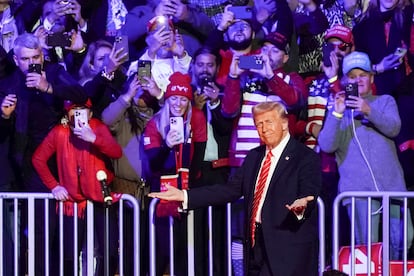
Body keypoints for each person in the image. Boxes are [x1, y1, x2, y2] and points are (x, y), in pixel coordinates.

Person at [149, 101, 322, 276]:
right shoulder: (254, 156)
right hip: (256, 247)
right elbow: (229, 190)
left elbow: (308, 193)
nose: (264, 129)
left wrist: (301, 207)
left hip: (287, 250)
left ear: (284, 123)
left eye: (269, 122)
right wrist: (185, 196)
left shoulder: (305, 157)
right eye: (259, 124)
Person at [0, 32, 87, 275]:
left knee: (66, 232)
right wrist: (5, 116)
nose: (32, 63)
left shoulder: (55, 72)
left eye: (36, 57)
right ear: (16, 60)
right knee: (39, 232)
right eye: (26, 59)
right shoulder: (8, 84)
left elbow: (82, 95)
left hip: (63, 160)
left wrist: (48, 87)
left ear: (42, 54)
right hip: (28, 166)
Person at [318, 51, 414, 260]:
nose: (358, 80)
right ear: (345, 81)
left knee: (402, 240)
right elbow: (326, 145)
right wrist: (336, 113)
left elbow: (394, 128)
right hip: (358, 192)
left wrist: (368, 109)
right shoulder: (339, 111)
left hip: (392, 188)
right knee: (368, 249)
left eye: (363, 75)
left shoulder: (384, 101)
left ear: (371, 78)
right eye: (352, 76)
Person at [31, 99, 122, 275]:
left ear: (91, 113)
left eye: (82, 110)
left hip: (101, 198)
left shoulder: (98, 127)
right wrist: (54, 186)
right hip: (72, 203)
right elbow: (38, 159)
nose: (78, 114)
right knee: (69, 255)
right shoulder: (60, 132)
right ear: (67, 115)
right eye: (74, 110)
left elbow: (116, 152)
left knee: (109, 250)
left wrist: (94, 139)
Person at [143, 71, 207, 276]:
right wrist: (166, 145)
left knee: (187, 250)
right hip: (162, 195)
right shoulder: (155, 123)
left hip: (188, 193)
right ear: (166, 99)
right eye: (173, 98)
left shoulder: (196, 118)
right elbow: (154, 164)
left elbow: (198, 160)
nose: (178, 104)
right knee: (163, 250)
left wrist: (190, 191)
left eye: (183, 99)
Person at [101, 72, 160, 275]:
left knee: (150, 250)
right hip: (127, 193)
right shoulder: (124, 118)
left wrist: (159, 94)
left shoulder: (159, 115)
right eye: (138, 84)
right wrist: (128, 96)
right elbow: (106, 120)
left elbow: (178, 112)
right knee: (128, 249)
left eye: (146, 85)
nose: (142, 90)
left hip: (153, 194)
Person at [191, 46, 233, 276]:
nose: (205, 69)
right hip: (195, 172)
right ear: (193, 67)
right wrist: (196, 108)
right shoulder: (184, 96)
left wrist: (215, 104)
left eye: (209, 65)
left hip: (219, 172)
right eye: (200, 64)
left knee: (219, 231)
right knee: (195, 231)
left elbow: (227, 128)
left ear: (217, 68)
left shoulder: (226, 93)